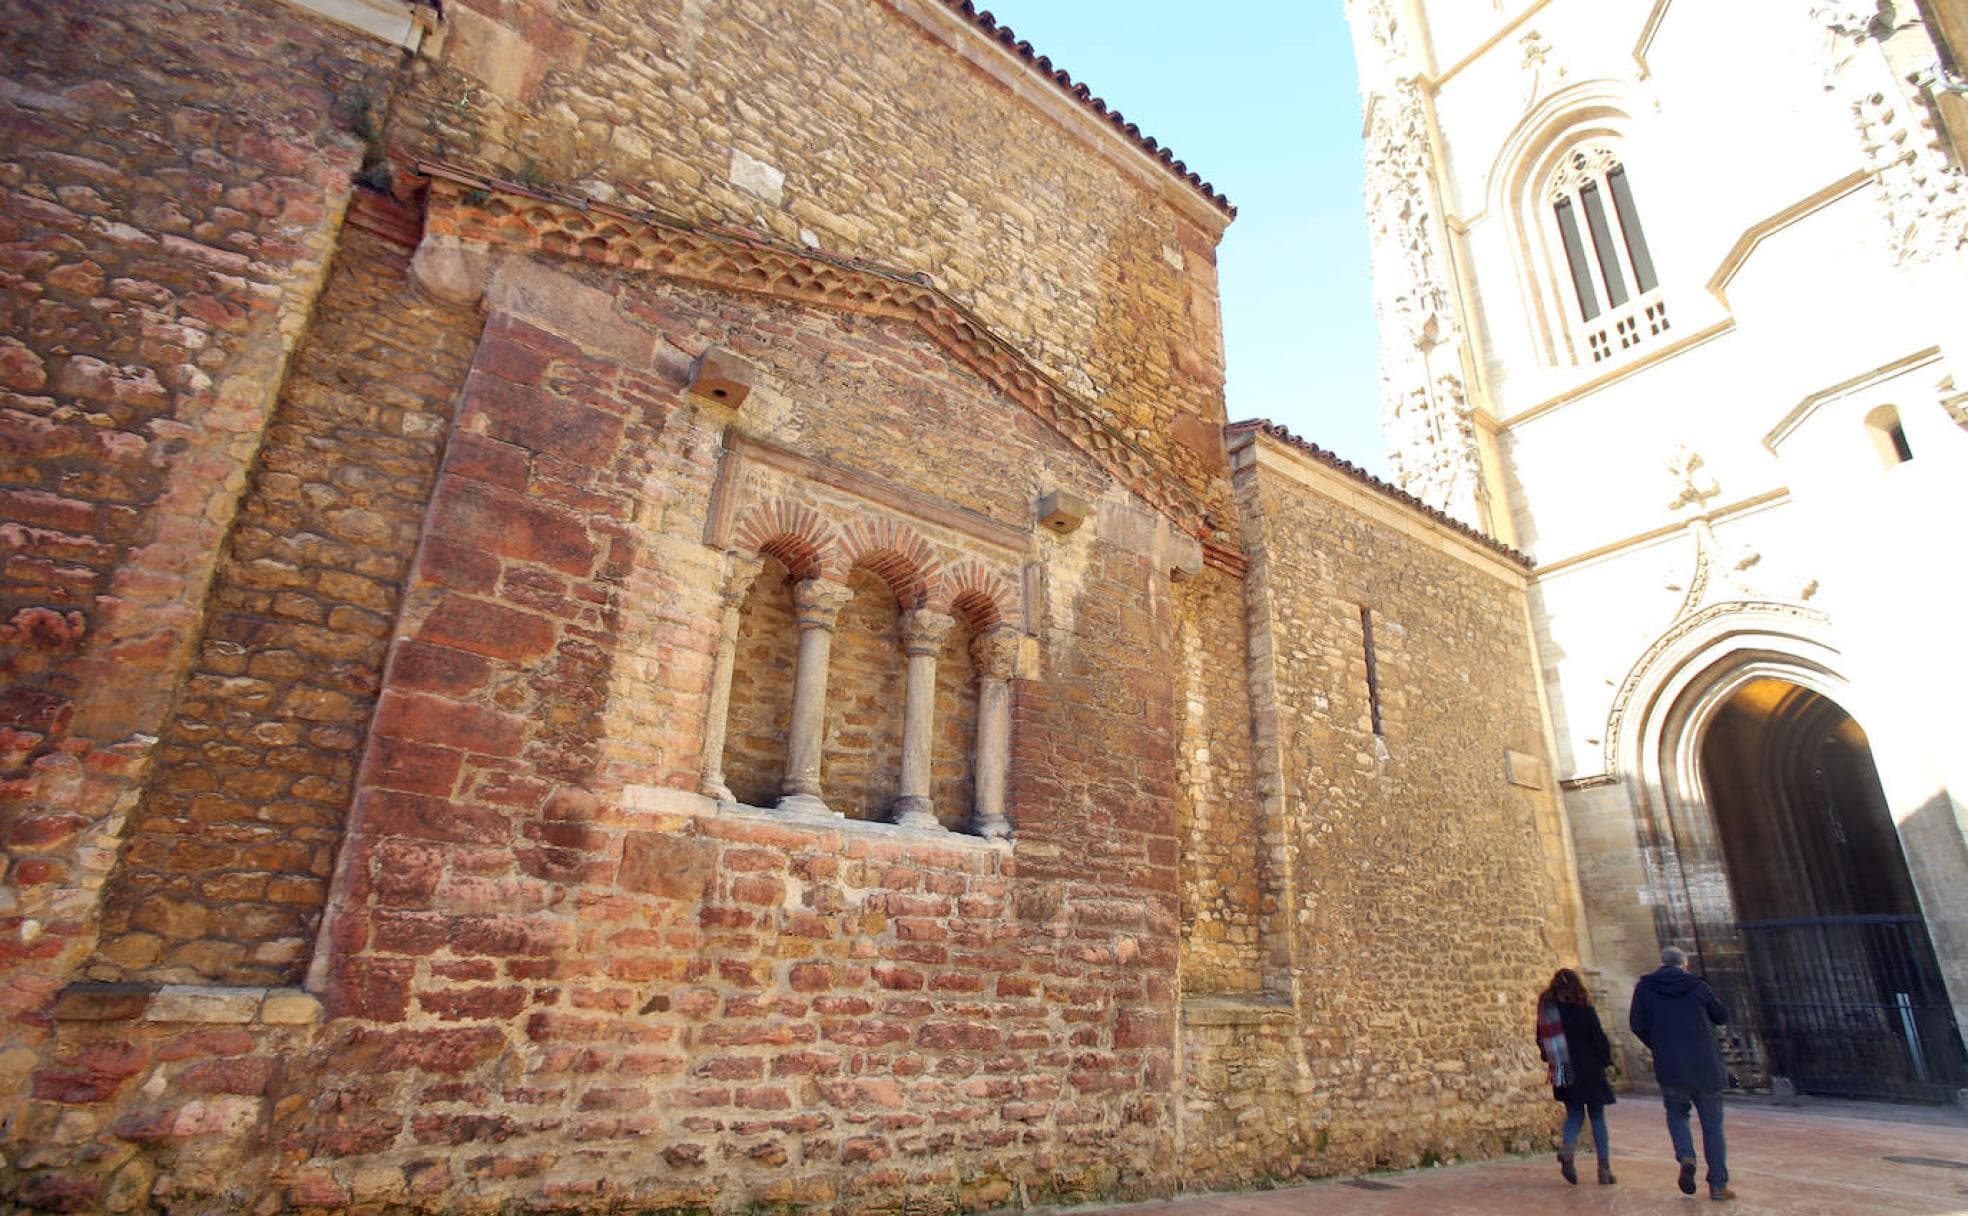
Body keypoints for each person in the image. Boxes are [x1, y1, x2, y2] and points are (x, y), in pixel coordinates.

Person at [1630, 945, 1735, 1201]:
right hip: (1704, 1065)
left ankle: (1686, 1157)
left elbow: (1637, 1024)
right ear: (1684, 965)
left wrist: (1658, 1044)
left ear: (1661, 963)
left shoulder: (1645, 987)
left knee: (1677, 1116)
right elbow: (1721, 1016)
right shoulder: (1697, 986)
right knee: (1712, 1125)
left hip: (1671, 1065)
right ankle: (1718, 1185)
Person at [1536, 967, 1618, 1186]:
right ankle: (1604, 1169)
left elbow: (1541, 1039)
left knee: (1574, 1114)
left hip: (1562, 1067)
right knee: (1597, 1116)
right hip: (1589, 1067)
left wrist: (1550, 1057)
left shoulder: (1548, 1009)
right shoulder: (1584, 1006)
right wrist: (1606, 1060)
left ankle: (1568, 1149)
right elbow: (1597, 1036)